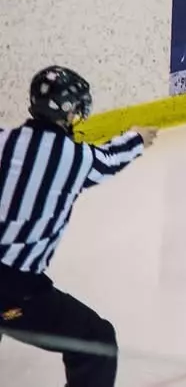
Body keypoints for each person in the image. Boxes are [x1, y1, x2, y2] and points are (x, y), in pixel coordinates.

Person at [0, 66, 157, 387]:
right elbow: (112, 158)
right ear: (69, 111)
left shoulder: (4, 141)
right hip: (14, 290)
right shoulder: (75, 159)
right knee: (96, 342)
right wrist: (138, 138)